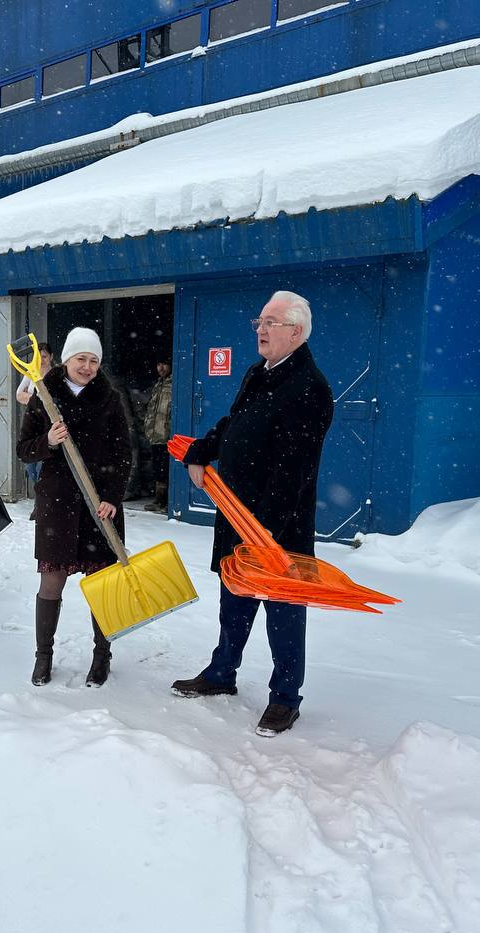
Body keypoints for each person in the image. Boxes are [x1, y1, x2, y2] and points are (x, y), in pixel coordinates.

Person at [171, 292, 333, 737]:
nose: (260, 329)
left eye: (272, 322)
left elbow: (295, 472)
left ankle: (285, 698)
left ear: (296, 332)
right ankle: (222, 673)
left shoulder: (310, 388)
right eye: (259, 320)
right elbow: (233, 425)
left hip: (275, 529)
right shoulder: (257, 374)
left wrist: (265, 533)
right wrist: (202, 450)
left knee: (283, 613)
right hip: (237, 516)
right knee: (234, 602)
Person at [17, 327, 132, 688]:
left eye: (94, 361)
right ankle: (43, 657)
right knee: (51, 582)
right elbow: (23, 449)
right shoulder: (43, 395)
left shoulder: (110, 398)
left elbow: (123, 453)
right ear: (67, 360)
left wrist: (112, 496)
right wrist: (48, 441)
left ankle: (102, 655)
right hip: (58, 502)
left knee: (102, 584)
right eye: (81, 359)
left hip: (99, 504)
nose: (87, 367)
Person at [15, 342, 55, 501]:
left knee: (42, 467)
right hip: (32, 425)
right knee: (31, 466)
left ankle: (41, 502)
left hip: (49, 426)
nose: (42, 360)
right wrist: (38, 400)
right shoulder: (31, 374)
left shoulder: (55, 376)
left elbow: (53, 401)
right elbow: (19, 395)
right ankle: (40, 499)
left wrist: (33, 400)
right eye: (38, 357)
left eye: (44, 356)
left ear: (51, 357)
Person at [142, 358, 173, 512]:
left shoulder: (174, 385)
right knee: (158, 469)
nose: (160, 368)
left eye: (164, 364)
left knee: (167, 468)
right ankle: (159, 500)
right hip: (155, 435)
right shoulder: (157, 385)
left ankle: (168, 502)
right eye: (158, 364)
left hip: (166, 435)